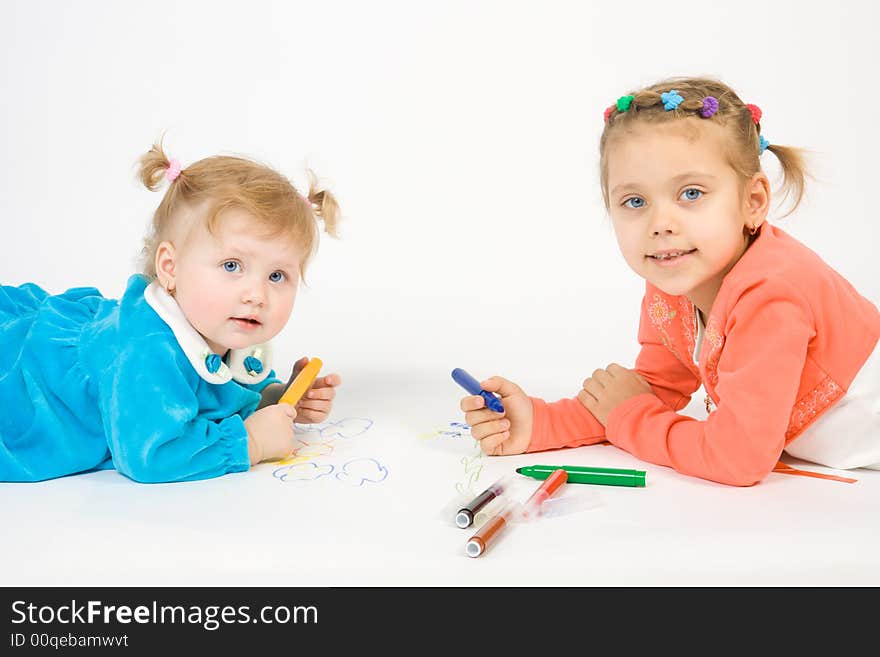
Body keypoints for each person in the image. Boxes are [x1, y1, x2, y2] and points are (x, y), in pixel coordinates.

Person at [459, 77, 880, 486]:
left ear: (752, 202)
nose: (661, 224)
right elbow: (655, 389)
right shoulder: (674, 285)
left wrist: (631, 418)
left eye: (691, 193)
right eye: (635, 201)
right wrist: (541, 423)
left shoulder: (771, 295)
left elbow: (738, 458)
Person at [0, 142, 342, 483]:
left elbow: (214, 393)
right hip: (30, 379)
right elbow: (148, 455)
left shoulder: (226, 329)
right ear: (170, 268)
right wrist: (250, 442)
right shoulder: (148, 351)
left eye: (277, 276)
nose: (257, 295)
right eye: (232, 265)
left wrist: (276, 398)